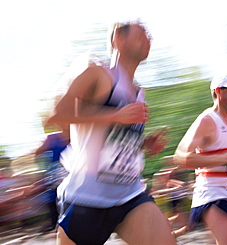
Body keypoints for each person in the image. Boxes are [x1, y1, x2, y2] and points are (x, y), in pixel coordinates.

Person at [46, 21, 176, 245]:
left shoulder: (138, 92)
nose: (149, 38)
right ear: (118, 37)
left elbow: (111, 138)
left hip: (129, 194)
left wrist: (143, 143)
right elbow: (56, 115)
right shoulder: (97, 74)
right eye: (142, 32)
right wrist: (115, 115)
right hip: (87, 197)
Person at [174, 75, 227, 245]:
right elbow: (180, 157)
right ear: (218, 92)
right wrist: (223, 158)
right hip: (213, 193)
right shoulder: (207, 120)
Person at [33, 123, 70, 231]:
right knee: (54, 196)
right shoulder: (52, 137)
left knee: (69, 195)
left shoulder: (76, 136)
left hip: (72, 169)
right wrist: (42, 166)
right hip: (57, 172)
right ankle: (55, 224)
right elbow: (38, 152)